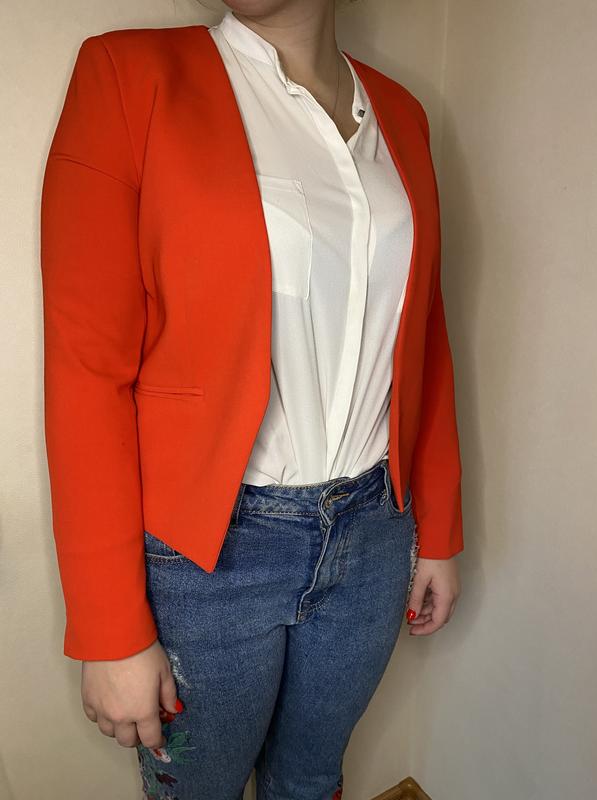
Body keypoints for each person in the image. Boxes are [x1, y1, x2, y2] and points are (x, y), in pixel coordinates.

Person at [39, 1, 464, 798]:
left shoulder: (401, 113)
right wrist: (109, 628)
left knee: (311, 778)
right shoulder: (130, 77)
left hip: (375, 532)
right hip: (211, 554)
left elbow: (423, 335)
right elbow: (86, 368)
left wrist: (436, 532)